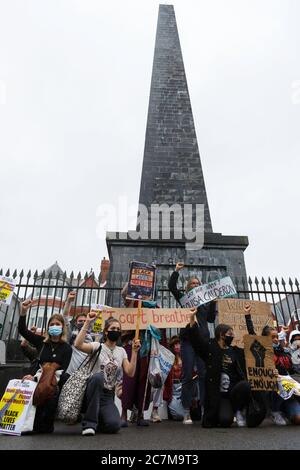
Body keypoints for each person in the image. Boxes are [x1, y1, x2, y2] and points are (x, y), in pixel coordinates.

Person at [187, 304, 267, 428]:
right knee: (225, 421)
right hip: (218, 396)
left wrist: (247, 317)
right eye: (230, 333)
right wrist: (192, 319)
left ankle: (240, 410)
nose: (233, 336)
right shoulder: (209, 349)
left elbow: (253, 342)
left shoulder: (235, 351)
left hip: (233, 392)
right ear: (221, 335)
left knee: (245, 385)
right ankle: (226, 412)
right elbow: (196, 340)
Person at [74, 312, 141, 436]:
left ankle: (97, 419)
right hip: (92, 390)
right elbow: (78, 345)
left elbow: (130, 373)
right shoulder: (97, 346)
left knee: (114, 425)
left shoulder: (121, 351)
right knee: (99, 376)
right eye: (112, 329)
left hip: (107, 395)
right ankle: (89, 424)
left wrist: (135, 352)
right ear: (106, 332)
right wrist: (87, 323)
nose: (115, 331)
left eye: (118, 329)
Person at [168, 262, 216, 424]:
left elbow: (210, 319)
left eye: (197, 283)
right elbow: (172, 287)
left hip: (202, 341)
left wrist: (214, 300)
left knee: (203, 375)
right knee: (187, 374)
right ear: (188, 287)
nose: (195, 285)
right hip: (188, 341)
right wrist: (176, 271)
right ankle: (187, 410)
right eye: (192, 283)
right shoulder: (184, 300)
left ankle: (203, 409)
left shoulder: (206, 302)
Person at [18, 299, 72, 433]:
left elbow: (63, 370)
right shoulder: (41, 342)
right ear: (48, 327)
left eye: (57, 324)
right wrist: (23, 311)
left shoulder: (66, 348)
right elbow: (23, 330)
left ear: (62, 327)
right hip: (37, 380)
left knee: (45, 428)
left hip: (54, 385)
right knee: (34, 426)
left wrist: (49, 380)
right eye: (52, 324)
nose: (55, 326)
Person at [261, 325, 300, 425]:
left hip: (289, 393)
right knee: (277, 380)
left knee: (298, 419)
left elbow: (292, 370)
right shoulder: (261, 353)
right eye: (272, 337)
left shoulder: (284, 352)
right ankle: (275, 411)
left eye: (277, 337)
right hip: (273, 393)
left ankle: (286, 411)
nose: (276, 340)